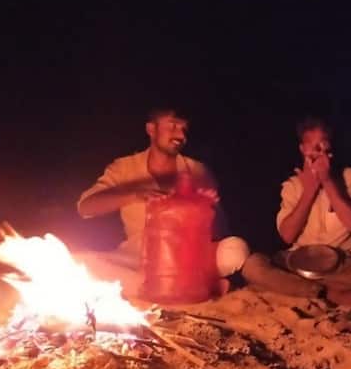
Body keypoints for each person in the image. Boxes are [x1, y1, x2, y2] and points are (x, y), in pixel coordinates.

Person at [75, 107, 250, 299]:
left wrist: (202, 207)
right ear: (151, 129)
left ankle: (155, 286)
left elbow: (221, 231)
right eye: (173, 126)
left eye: (184, 128)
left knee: (236, 249)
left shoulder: (198, 171)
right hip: (140, 253)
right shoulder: (124, 168)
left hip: (190, 254)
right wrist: (134, 195)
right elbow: (86, 207)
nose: (181, 135)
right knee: (82, 260)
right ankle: (194, 285)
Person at [241, 117, 351, 307]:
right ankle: (330, 294)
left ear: (330, 147)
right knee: (253, 265)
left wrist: (327, 182)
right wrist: (309, 191)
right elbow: (287, 236)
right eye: (313, 146)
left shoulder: (350, 177)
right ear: (302, 149)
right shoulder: (292, 185)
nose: (319, 151)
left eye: (323, 145)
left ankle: (305, 290)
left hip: (339, 264)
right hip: (296, 263)